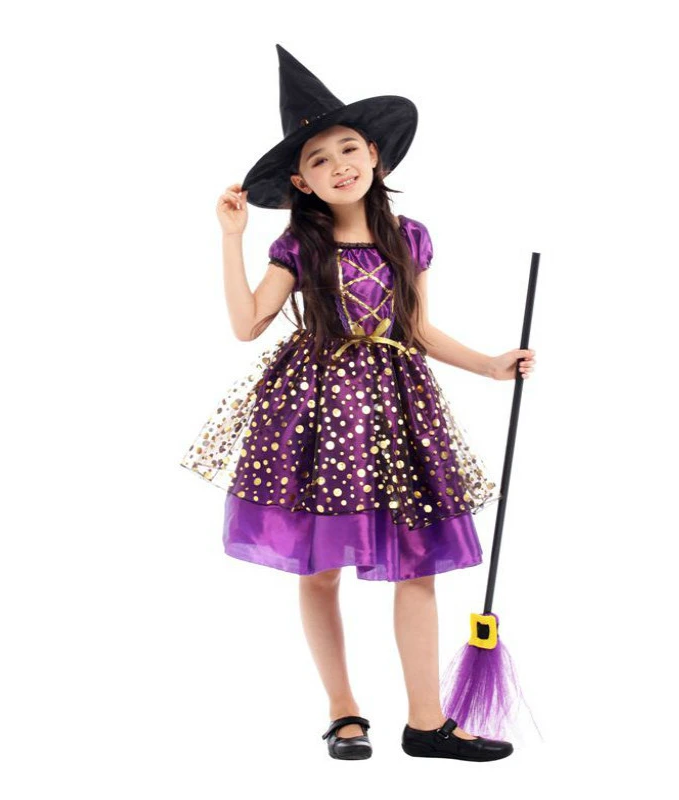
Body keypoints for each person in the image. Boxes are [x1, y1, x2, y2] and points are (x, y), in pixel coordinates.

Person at [180, 45, 536, 762]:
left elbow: (418, 330)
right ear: (301, 183)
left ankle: (427, 722)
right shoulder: (297, 245)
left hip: (397, 412)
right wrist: (232, 239)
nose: (338, 164)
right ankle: (344, 712)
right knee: (319, 566)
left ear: (375, 154)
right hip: (316, 415)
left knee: (417, 561)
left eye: (348, 148)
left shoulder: (408, 237)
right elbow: (247, 324)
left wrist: (490, 365)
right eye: (318, 159)